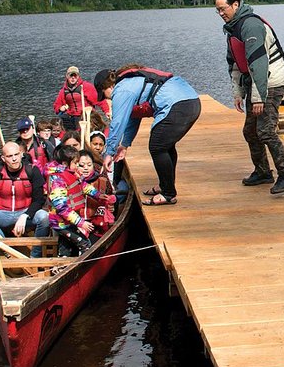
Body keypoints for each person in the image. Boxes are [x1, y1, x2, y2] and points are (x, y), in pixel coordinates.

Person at [214, 0, 284, 195]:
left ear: (236, 5)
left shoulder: (251, 25)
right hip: (256, 83)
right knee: (250, 131)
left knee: (266, 131)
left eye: (223, 8)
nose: (221, 13)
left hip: (272, 82)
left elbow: (259, 63)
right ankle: (262, 172)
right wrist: (237, 93)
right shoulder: (232, 28)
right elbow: (234, 64)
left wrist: (258, 97)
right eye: (217, 10)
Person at [95, 65, 200, 206]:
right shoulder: (130, 82)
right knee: (165, 145)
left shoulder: (121, 90)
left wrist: (109, 153)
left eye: (104, 95)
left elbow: (117, 123)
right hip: (191, 100)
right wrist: (124, 145)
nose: (107, 99)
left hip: (178, 105)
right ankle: (165, 186)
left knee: (157, 146)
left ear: (107, 86)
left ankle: (168, 193)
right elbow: (133, 117)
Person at [0, 141, 50, 257]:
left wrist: (25, 215)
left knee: (44, 217)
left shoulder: (32, 171)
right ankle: (6, 249)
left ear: (21, 155)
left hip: (26, 212)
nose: (14, 159)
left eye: (16, 155)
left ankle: (35, 255)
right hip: (2, 213)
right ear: (3, 158)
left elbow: (39, 199)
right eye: (9, 156)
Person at [48, 145, 106, 256]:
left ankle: (61, 264)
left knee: (65, 245)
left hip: (69, 220)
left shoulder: (73, 175)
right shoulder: (58, 181)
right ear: (65, 164)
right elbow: (61, 207)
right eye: (75, 163)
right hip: (61, 223)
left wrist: (97, 195)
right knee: (85, 243)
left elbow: (82, 186)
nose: (78, 165)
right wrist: (81, 222)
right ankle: (82, 266)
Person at [77, 150, 116, 240]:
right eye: (82, 165)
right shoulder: (72, 182)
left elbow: (110, 199)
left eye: (89, 165)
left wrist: (111, 206)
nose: (86, 168)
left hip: (97, 225)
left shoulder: (102, 181)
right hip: (76, 224)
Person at [53, 66, 99, 132]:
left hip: (85, 116)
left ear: (78, 76)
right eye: (71, 75)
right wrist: (60, 108)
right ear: (67, 76)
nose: (73, 78)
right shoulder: (64, 91)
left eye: (75, 75)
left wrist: (107, 111)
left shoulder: (86, 86)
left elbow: (98, 100)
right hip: (71, 116)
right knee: (62, 119)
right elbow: (56, 105)